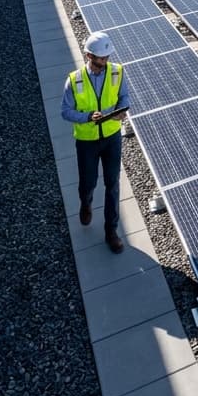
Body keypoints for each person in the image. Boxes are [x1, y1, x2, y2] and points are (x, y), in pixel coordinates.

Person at [62, 31, 130, 253]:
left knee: (112, 184)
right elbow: (65, 112)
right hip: (87, 140)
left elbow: (124, 97)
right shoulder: (74, 80)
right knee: (88, 183)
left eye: (107, 57)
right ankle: (86, 203)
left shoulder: (117, 73)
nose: (105, 61)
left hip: (112, 137)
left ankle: (111, 231)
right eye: (101, 58)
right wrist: (87, 117)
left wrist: (121, 112)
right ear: (89, 56)